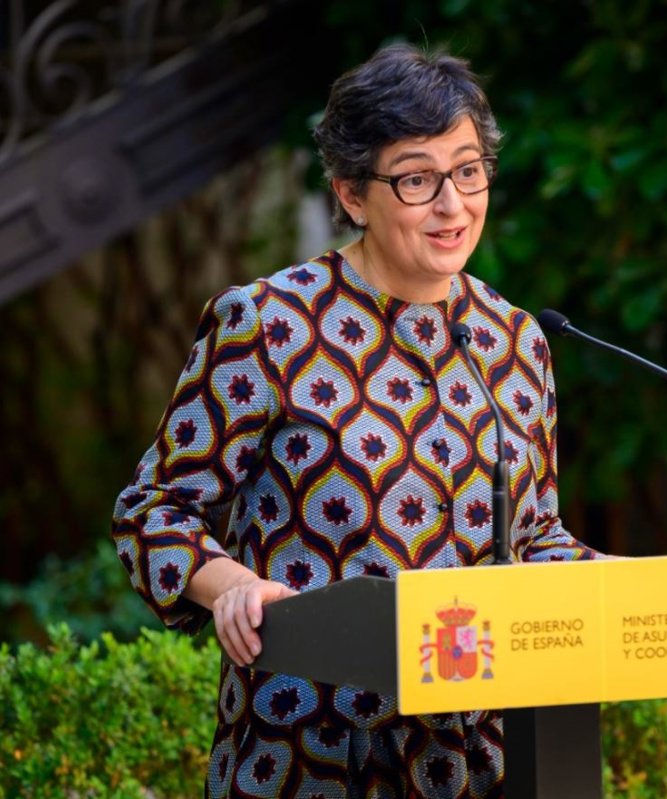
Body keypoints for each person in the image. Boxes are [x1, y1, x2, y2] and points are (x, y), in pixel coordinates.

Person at [111, 42, 601, 799]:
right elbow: (152, 511)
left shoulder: (514, 339)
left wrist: (638, 590)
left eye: (468, 171)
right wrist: (231, 584)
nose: (453, 204)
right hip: (307, 750)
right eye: (417, 179)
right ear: (352, 194)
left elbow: (534, 538)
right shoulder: (269, 324)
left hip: (474, 759)